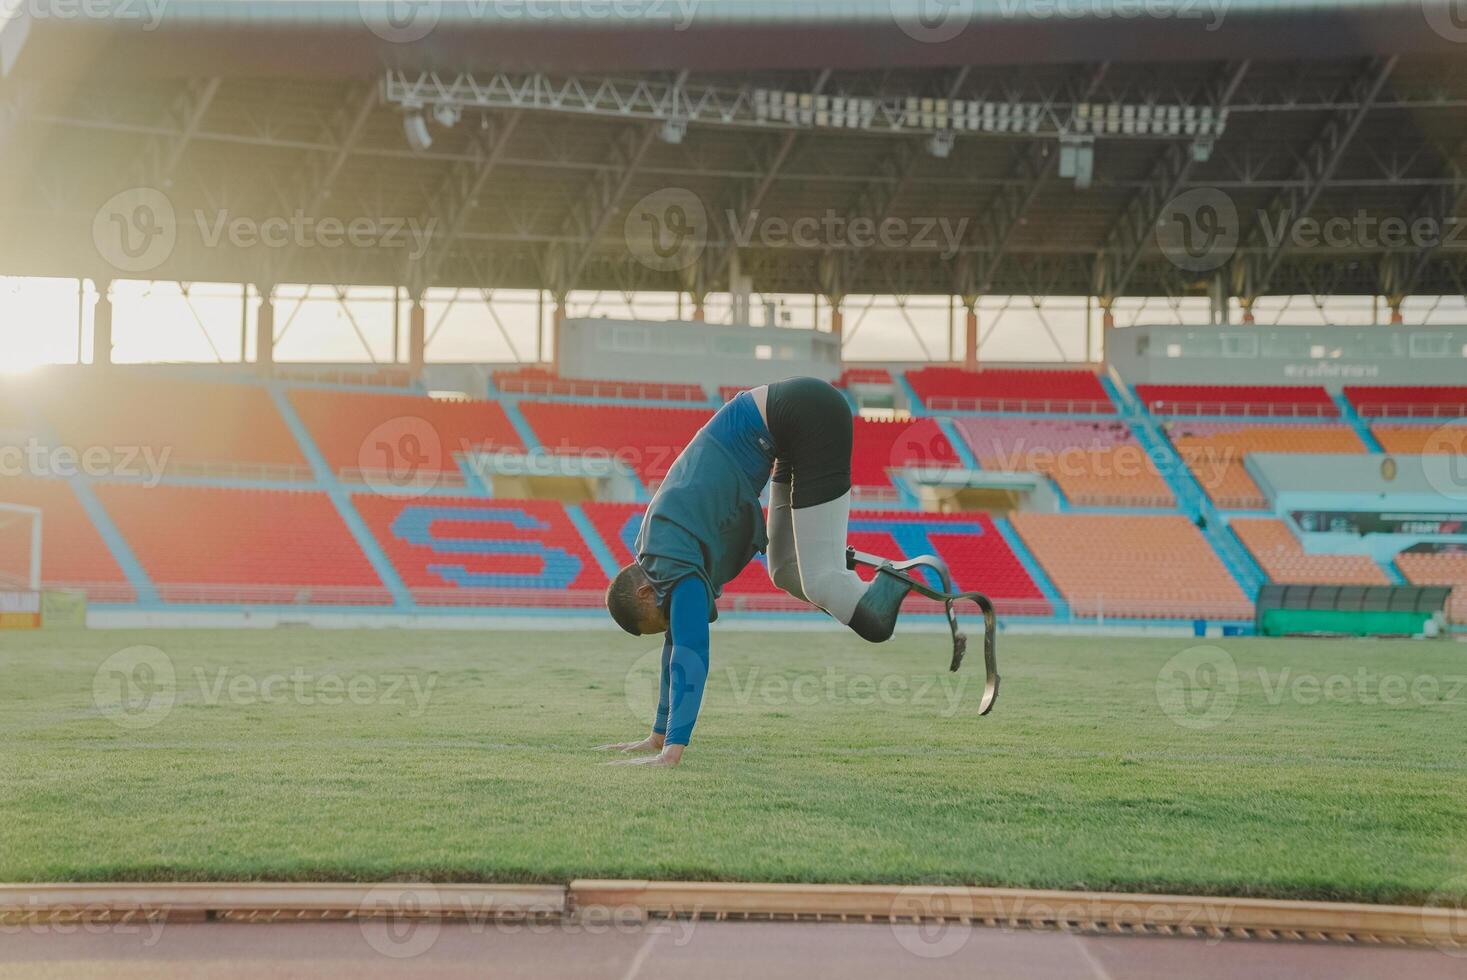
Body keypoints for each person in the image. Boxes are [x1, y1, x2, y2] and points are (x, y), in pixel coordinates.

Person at [598, 377, 921, 767]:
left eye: (660, 619)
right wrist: (656, 736)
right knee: (786, 572)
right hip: (785, 429)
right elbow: (674, 648)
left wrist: (672, 751)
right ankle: (862, 587)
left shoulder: (671, 565)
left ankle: (887, 585)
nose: (671, 622)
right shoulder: (658, 554)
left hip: (805, 415)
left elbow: (690, 652)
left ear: (645, 594)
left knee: (828, 587)